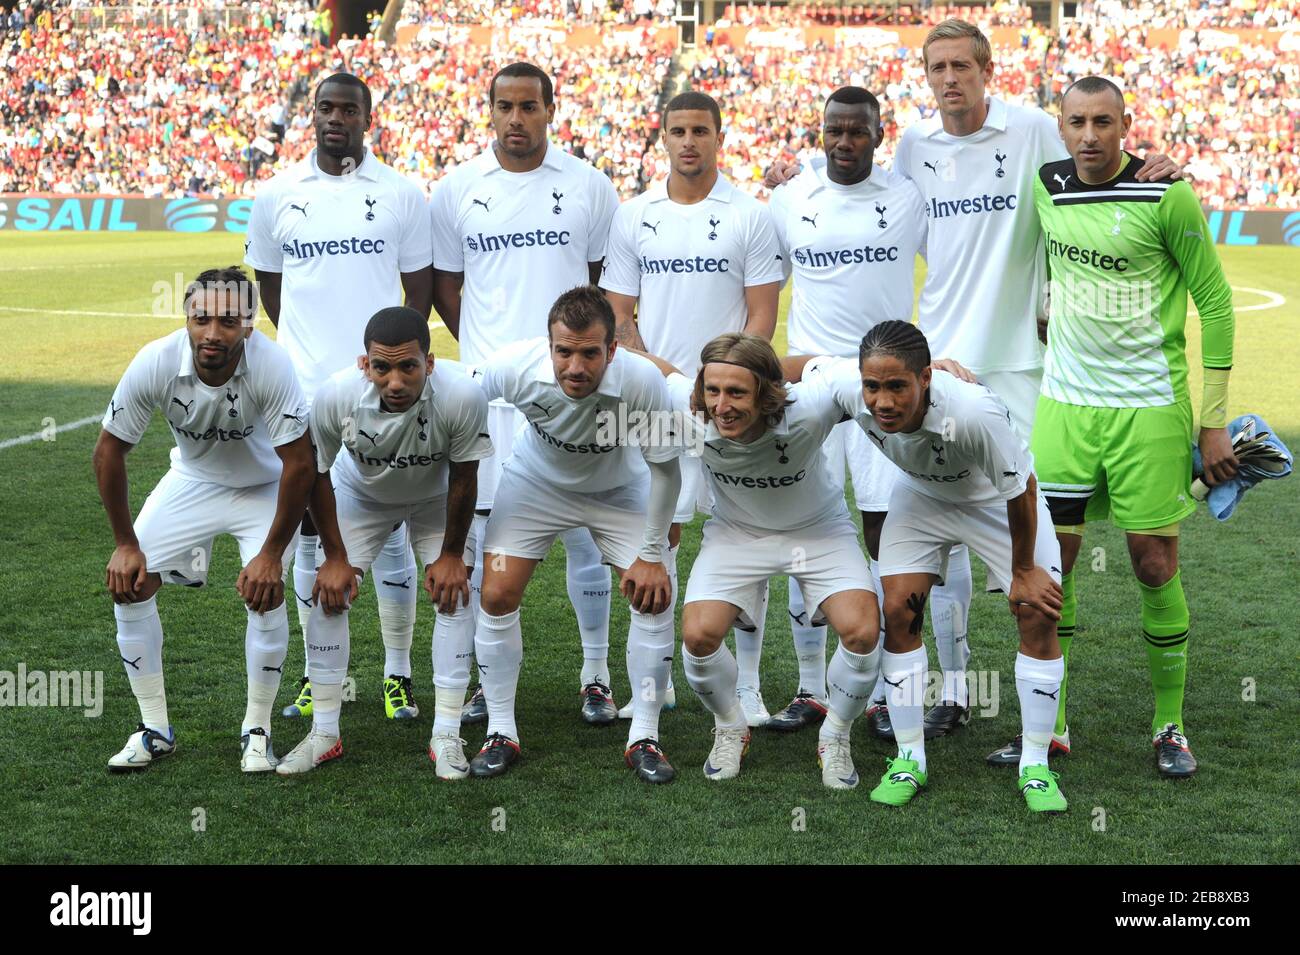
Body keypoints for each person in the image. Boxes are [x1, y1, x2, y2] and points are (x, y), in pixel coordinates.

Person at [766, 19, 1181, 744]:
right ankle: (951, 689)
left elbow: (1092, 166)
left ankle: (1050, 723)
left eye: (962, 65)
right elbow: (855, 184)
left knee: (1049, 539)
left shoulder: (1030, 129)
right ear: (926, 76)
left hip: (1021, 361)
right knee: (934, 530)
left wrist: (1153, 164)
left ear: (987, 68)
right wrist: (792, 174)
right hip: (938, 363)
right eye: (938, 68)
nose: (950, 78)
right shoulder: (915, 145)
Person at [998, 75, 1238, 777]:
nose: (1091, 135)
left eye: (1104, 121)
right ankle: (1053, 724)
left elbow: (1216, 305)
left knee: (1153, 562)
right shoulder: (1048, 184)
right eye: (1077, 122)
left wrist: (1215, 423)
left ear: (1125, 125)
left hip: (1149, 410)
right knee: (1052, 567)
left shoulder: (1169, 192)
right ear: (1062, 127)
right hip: (1066, 408)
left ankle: (1170, 723)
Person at [787, 321, 1069, 813]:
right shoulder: (849, 388)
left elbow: (1019, 489)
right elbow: (786, 365)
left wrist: (1023, 570)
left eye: (897, 386)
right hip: (922, 498)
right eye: (872, 386)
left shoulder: (970, 411)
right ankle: (909, 757)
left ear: (926, 379)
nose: (883, 401)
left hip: (994, 502)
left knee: (1037, 613)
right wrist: (715, 378)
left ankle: (1035, 765)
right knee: (898, 613)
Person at [430, 62, 624, 726]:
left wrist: (566, 357)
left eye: (529, 107)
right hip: (490, 396)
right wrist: (491, 354)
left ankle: (595, 674)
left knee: (588, 538)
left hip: (574, 388)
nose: (517, 118)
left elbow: (598, 285)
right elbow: (446, 288)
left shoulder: (588, 186)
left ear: (550, 109)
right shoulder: (456, 189)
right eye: (504, 106)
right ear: (489, 111)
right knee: (488, 542)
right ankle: (488, 682)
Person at [245, 72, 435, 724]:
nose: (335, 117)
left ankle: (398, 673)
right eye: (324, 106)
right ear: (313, 115)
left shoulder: (402, 195)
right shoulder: (276, 196)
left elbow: (420, 292)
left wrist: (385, 370)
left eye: (347, 108)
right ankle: (317, 672)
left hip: (379, 388)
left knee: (393, 524)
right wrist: (310, 358)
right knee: (308, 530)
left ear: (367, 118)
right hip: (304, 389)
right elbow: (272, 290)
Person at [600, 90, 783, 727]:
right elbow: (619, 319)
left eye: (700, 130)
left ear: (718, 137)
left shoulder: (750, 216)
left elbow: (761, 316)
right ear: (663, 138)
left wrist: (730, 389)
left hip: (733, 407)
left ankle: (752, 687)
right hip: (657, 401)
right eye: (677, 130)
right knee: (657, 537)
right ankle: (651, 688)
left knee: (745, 537)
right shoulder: (633, 216)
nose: (688, 141)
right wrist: (668, 378)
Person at [93, 267, 314, 773]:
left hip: (264, 487)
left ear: (250, 325)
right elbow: (108, 451)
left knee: (266, 592)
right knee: (131, 581)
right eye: (203, 319)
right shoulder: (157, 361)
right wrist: (126, 543)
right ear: (187, 317)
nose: (213, 333)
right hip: (192, 480)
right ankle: (155, 729)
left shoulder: (272, 366)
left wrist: (271, 555)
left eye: (229, 321)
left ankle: (256, 730)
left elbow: (301, 465)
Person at [641, 334, 882, 788]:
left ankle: (836, 733)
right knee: (697, 636)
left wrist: (937, 372)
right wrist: (609, 345)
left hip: (818, 531)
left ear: (766, 391)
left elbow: (840, 368)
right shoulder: (689, 410)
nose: (722, 405)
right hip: (737, 533)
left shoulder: (808, 409)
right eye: (713, 391)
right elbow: (654, 369)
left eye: (736, 392)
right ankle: (730, 724)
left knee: (863, 631)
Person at [469, 287, 682, 783]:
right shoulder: (513, 367)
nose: (576, 367)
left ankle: (645, 735)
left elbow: (667, 473)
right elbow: (457, 400)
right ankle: (501, 730)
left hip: (619, 489)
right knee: (496, 592)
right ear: (549, 346)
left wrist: (653, 553)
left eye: (590, 353)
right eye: (564, 351)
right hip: (534, 485)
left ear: (613, 350)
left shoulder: (642, 380)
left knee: (654, 594)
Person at [765, 84, 925, 733]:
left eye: (857, 131)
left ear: (878, 135)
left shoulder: (907, 199)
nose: (844, 141)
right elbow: (756, 283)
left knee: (889, 534)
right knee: (805, 531)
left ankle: (891, 688)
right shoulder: (789, 198)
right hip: (811, 390)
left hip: (884, 389)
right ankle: (811, 688)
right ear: (821, 131)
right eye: (834, 129)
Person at [274, 307, 491, 778]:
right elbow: (318, 474)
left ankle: (447, 734)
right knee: (329, 594)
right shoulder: (335, 397)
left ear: (429, 364)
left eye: (408, 366)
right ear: (363, 364)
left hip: (435, 499)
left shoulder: (462, 396)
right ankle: (325, 734)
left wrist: (453, 555)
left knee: (454, 594)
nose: (395, 381)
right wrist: (334, 557)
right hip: (362, 496)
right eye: (381, 367)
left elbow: (465, 478)